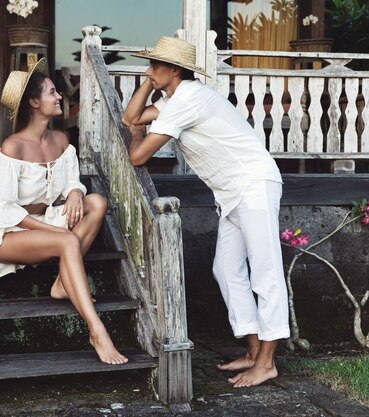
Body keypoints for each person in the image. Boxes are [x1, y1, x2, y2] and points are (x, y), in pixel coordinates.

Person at [0, 58, 128, 365]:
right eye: (52, 92)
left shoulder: (61, 140)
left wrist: (76, 192)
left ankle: (64, 283)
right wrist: (57, 231)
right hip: (7, 232)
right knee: (67, 242)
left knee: (97, 202)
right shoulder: (13, 147)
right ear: (34, 102)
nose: (59, 97)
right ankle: (96, 330)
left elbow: (71, 180)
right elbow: (3, 208)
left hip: (44, 221)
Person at [122, 37, 289, 386]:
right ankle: (253, 351)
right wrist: (146, 83)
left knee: (265, 273)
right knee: (226, 270)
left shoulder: (188, 100)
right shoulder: (173, 100)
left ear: (175, 70)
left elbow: (138, 156)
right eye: (150, 65)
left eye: (155, 65)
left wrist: (138, 137)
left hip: (253, 184)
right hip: (232, 193)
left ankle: (267, 363)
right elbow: (130, 117)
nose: (150, 70)